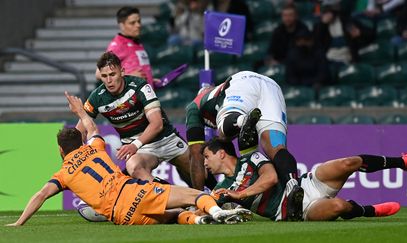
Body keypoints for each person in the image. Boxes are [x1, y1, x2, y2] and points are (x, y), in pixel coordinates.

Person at [5, 92, 252, 226]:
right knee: (195, 196)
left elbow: (40, 195)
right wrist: (80, 111)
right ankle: (218, 212)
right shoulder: (96, 147)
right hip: (134, 193)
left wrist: (19, 222)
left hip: (122, 217)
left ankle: (199, 220)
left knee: (173, 215)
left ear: (61, 152)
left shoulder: (63, 174)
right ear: (80, 143)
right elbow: (91, 127)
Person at [203, 137, 407, 221]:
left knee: (349, 163)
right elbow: (205, 206)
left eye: (206, 156)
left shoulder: (250, 157)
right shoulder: (222, 189)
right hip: (297, 211)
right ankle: (369, 211)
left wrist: (240, 194)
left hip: (304, 184)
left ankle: (403, 162)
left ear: (221, 153)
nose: (204, 163)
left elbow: (271, 178)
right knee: (339, 206)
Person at [84, 51, 191, 186]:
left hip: (165, 138)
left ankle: (213, 197)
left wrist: (135, 145)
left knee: (198, 169)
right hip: (140, 149)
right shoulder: (97, 97)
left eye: (112, 74)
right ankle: (170, 194)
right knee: (134, 167)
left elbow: (157, 124)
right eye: (104, 76)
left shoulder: (140, 85)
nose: (109, 80)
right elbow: (81, 128)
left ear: (122, 72)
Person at [186, 71, 298, 190]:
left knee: (223, 133)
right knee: (276, 149)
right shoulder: (219, 94)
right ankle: (293, 187)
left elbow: (196, 154)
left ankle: (242, 120)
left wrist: (198, 198)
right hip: (272, 88)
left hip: (244, 83)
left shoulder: (195, 106)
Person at [95, 6, 158, 88]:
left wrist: (150, 80)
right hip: (131, 99)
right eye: (132, 23)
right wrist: (128, 76)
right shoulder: (118, 45)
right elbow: (98, 73)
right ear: (122, 25)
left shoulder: (137, 42)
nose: (138, 25)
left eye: (139, 21)